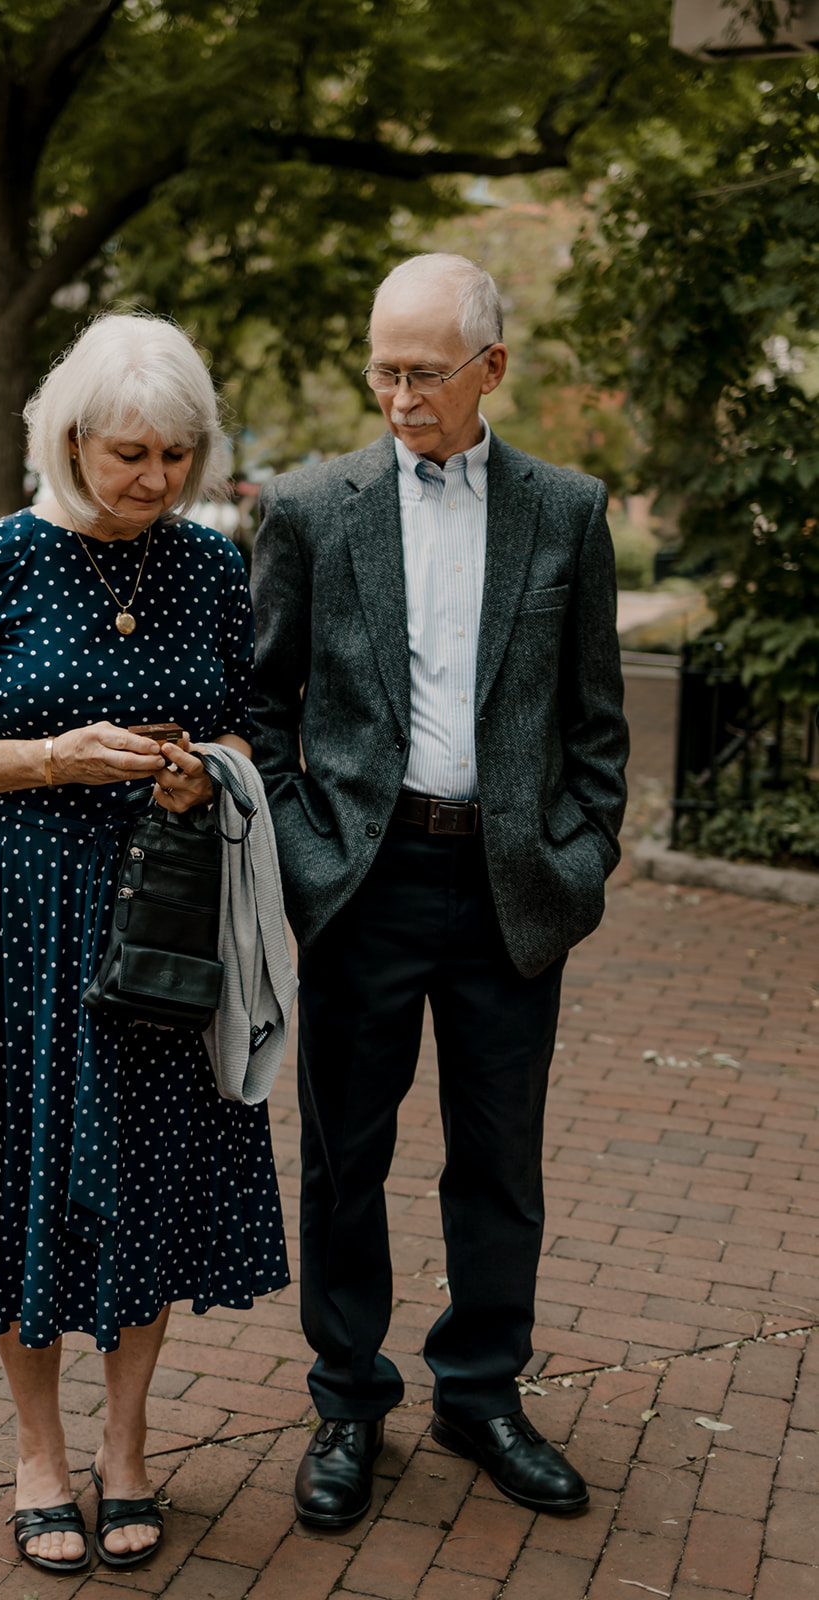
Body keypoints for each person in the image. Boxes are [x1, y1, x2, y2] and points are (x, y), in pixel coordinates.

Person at [0, 312, 289, 1575]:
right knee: (23, 1176)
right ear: (68, 439)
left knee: (147, 1179)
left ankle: (126, 1448)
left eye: (177, 454)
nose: (155, 479)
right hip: (19, 922)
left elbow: (255, 738)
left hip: (167, 921)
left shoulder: (212, 569)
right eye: (129, 454)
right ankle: (38, 1455)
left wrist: (200, 772)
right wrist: (48, 758)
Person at [250, 253, 628, 1527]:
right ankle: (347, 1400)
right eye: (382, 369)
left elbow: (595, 719)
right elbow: (260, 705)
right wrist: (308, 861)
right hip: (363, 877)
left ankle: (477, 1391)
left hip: (512, 881)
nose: (398, 395)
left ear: (490, 369)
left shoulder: (566, 508)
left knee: (497, 1159)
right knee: (343, 1157)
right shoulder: (311, 507)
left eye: (422, 371)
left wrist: (578, 860)